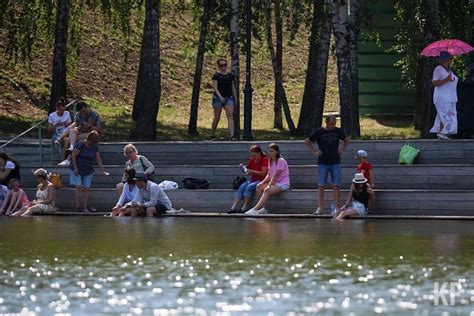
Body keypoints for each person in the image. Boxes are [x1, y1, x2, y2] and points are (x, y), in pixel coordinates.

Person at [304, 115, 349, 215]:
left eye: (335, 124)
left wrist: (342, 149)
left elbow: (346, 140)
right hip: (323, 162)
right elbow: (307, 141)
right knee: (321, 185)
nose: (333, 126)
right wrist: (314, 151)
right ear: (327, 122)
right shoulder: (319, 132)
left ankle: (336, 207)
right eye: (332, 124)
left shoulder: (338, 131)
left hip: (335, 161)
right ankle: (320, 207)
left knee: (336, 185)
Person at [245, 143, 290, 215]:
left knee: (267, 190)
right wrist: (262, 183)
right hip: (274, 183)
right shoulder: (270, 160)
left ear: (277, 152)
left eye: (272, 151)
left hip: (283, 184)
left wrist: (269, 185)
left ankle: (255, 209)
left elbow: (276, 175)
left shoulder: (281, 160)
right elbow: (269, 175)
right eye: (269, 151)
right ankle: (263, 209)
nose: (270, 153)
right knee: (259, 186)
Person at [69, 131, 107, 212]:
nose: (92, 144)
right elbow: (73, 155)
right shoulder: (81, 145)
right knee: (78, 186)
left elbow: (98, 158)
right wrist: (75, 168)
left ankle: (85, 207)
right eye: (91, 142)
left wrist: (102, 170)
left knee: (87, 188)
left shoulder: (95, 146)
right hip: (77, 168)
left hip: (88, 169)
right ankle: (78, 206)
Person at [59, 101, 102, 165]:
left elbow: (99, 129)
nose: (84, 114)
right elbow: (77, 126)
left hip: (92, 133)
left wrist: (90, 127)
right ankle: (71, 148)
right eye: (82, 112)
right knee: (72, 131)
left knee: (69, 140)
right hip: (82, 132)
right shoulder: (78, 115)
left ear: (86, 107)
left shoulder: (95, 114)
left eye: (84, 111)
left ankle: (68, 159)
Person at [229, 145, 268, 213]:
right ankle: (233, 207)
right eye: (252, 155)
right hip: (253, 180)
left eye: (254, 155)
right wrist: (243, 169)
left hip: (262, 180)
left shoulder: (264, 160)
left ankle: (244, 207)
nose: (253, 157)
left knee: (249, 187)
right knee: (242, 187)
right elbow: (248, 172)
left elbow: (263, 173)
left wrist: (251, 171)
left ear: (259, 153)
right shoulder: (252, 160)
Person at [430, 51, 458, 140]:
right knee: (446, 115)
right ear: (446, 60)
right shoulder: (438, 69)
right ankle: (443, 133)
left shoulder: (449, 70)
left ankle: (441, 134)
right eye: (450, 59)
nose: (451, 60)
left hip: (450, 98)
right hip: (442, 97)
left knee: (443, 116)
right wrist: (446, 79)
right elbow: (434, 83)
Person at [211, 58, 237, 141]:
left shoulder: (230, 76)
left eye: (225, 65)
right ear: (218, 66)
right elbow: (215, 87)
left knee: (230, 115)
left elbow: (232, 87)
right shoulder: (216, 76)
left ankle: (232, 135)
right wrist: (220, 96)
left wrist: (235, 98)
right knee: (217, 117)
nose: (223, 67)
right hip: (218, 98)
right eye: (221, 65)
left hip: (229, 97)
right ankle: (213, 134)